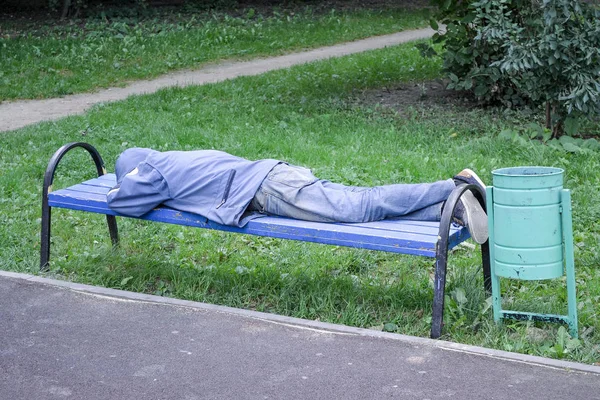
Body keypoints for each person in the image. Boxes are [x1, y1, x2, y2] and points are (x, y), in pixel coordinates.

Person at [107, 148, 489, 243]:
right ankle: (448, 210)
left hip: (269, 189)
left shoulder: (150, 171)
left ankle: (454, 185)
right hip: (271, 183)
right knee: (361, 211)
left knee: (358, 205)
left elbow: (125, 202)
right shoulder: (173, 161)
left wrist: (117, 186)